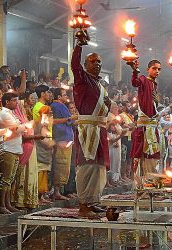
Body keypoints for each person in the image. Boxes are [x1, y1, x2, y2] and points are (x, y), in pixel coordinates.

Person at [71, 37, 110, 216]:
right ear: (85, 65)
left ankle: (94, 200)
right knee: (86, 166)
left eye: (99, 61)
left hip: (99, 129)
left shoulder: (100, 85)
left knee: (98, 166)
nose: (97, 64)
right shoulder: (82, 79)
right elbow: (74, 65)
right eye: (93, 61)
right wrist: (79, 45)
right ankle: (84, 204)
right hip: (87, 130)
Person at [130, 60, 162, 176]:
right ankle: (141, 186)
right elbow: (135, 82)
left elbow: (153, 107)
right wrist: (135, 71)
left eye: (159, 69)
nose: (156, 71)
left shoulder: (155, 84)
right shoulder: (144, 79)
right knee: (140, 157)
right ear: (148, 69)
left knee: (153, 158)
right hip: (143, 127)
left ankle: (152, 184)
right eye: (154, 68)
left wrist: (157, 102)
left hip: (153, 127)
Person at [0, 92, 25, 214]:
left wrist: (23, 127)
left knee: (10, 179)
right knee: (6, 179)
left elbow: (19, 128)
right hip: (8, 149)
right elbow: (18, 129)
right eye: (14, 100)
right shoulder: (4, 114)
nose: (16, 103)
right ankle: (2, 205)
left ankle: (7, 203)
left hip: (15, 148)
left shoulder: (11, 114)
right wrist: (26, 126)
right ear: (7, 102)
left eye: (16, 100)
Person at [50, 88, 76, 200]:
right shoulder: (55, 106)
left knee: (65, 166)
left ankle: (60, 190)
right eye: (64, 95)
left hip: (67, 138)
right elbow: (55, 121)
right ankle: (56, 191)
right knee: (60, 164)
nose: (66, 97)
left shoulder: (62, 105)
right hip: (61, 139)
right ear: (59, 96)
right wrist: (70, 118)